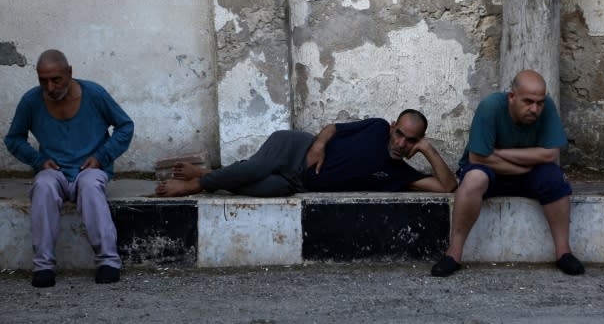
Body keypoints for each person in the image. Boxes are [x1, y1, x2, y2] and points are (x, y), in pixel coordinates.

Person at [431, 70, 585, 277]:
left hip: (527, 173)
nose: (535, 109)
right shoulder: (491, 107)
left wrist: (499, 152)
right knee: (474, 178)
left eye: (539, 103)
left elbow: (550, 155)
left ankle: (564, 253)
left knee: (553, 178)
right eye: (528, 101)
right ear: (511, 97)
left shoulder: (546, 108)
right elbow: (477, 158)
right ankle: (453, 254)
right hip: (491, 171)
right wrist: (523, 165)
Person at [4, 49, 134, 288]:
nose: (50, 87)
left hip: (90, 168)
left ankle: (108, 261)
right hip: (53, 170)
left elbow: (125, 126)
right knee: (43, 185)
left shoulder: (94, 94)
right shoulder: (31, 101)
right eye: (43, 80)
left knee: (91, 187)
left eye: (56, 79)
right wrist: (38, 161)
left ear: (69, 72)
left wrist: (101, 157)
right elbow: (14, 139)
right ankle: (43, 266)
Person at [155, 109, 457, 197]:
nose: (401, 143)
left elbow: (447, 186)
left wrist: (429, 151)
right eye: (400, 133)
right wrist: (318, 145)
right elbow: (331, 128)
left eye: (411, 140)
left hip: (297, 184)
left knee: (269, 186)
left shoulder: (400, 175)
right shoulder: (376, 127)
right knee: (256, 169)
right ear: (393, 127)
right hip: (295, 149)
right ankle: (195, 184)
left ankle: (209, 174)